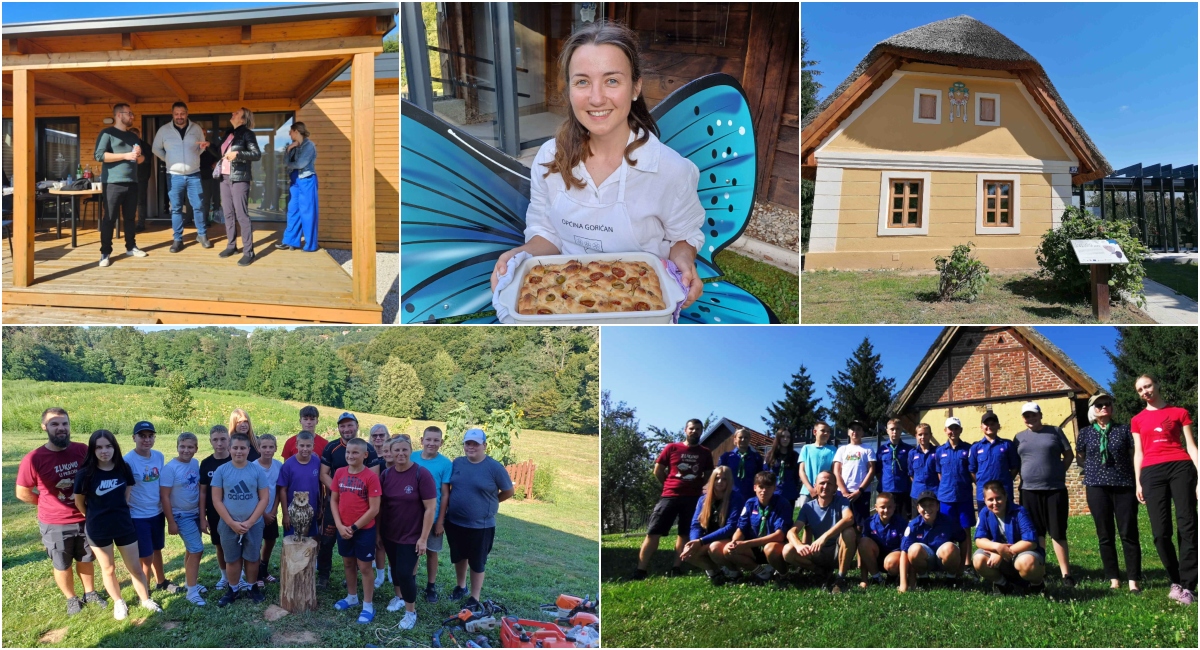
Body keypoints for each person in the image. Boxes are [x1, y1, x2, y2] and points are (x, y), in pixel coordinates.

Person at [489, 20, 706, 309]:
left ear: (635, 87)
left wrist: (684, 261)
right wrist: (520, 255)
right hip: (567, 299)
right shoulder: (549, 158)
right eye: (582, 82)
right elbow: (547, 234)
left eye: (612, 81)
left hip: (640, 305)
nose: (596, 98)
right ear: (569, 90)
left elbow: (684, 237)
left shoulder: (672, 170)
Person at [15, 407, 102, 615]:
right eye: (54, 424)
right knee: (62, 563)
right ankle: (71, 598)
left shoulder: (82, 450)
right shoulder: (34, 458)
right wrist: (47, 503)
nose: (61, 428)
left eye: (64, 423)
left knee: (86, 557)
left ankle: (90, 592)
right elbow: (22, 492)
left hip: (85, 517)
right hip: (55, 523)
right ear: (44, 427)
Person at [73, 430, 161, 620]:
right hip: (98, 528)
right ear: (93, 450)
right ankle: (118, 602)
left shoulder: (123, 468)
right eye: (99, 447)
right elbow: (79, 503)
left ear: (115, 447)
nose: (104, 451)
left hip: (123, 525)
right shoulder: (85, 474)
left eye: (108, 446)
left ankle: (145, 599)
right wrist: (93, 516)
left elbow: (126, 494)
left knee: (135, 567)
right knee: (108, 569)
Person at [1131, 374, 1198, 605]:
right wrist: (1138, 482)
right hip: (1151, 472)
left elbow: (1191, 446)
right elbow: (1138, 452)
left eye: (1148, 386)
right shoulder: (1137, 420)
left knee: (1187, 525)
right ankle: (1175, 580)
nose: (1145, 392)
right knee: (1160, 533)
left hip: (1180, 467)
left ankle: (1189, 586)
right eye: (1140, 390)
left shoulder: (1179, 412)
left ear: (1157, 385)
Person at [1076, 392, 1142, 593]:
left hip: (1123, 486)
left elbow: (1133, 455)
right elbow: (1080, 456)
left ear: (1112, 408)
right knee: (1105, 534)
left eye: (1107, 404)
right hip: (1097, 487)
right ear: (1093, 410)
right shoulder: (1085, 433)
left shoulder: (1124, 430)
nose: (1104, 407)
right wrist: (1092, 469)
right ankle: (1113, 578)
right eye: (1099, 405)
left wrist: (1137, 481)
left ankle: (1133, 580)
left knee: (1129, 533)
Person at [634, 419, 713, 579]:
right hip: (669, 496)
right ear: (685, 430)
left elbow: (707, 475)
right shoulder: (672, 448)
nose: (694, 431)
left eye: (698, 429)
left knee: (684, 534)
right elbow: (658, 470)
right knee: (653, 532)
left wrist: (695, 486)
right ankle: (641, 569)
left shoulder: (705, 452)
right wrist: (669, 484)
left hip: (693, 499)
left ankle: (676, 567)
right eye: (692, 428)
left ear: (701, 431)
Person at [444, 429, 515, 607]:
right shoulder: (458, 463)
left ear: (484, 445)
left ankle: (474, 597)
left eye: (475, 444)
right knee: (459, 556)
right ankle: (461, 587)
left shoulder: (494, 467)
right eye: (468, 443)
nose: (471, 447)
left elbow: (508, 491)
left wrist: (491, 502)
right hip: (454, 521)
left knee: (477, 561)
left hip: (481, 525)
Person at [1014, 402, 1075, 587]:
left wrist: (1059, 472)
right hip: (1028, 491)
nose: (1030, 418)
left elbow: (1069, 455)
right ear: (1023, 418)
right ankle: (1042, 570)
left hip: (1054, 490)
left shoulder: (1055, 432)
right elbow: (1016, 463)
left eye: (1033, 414)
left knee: (1057, 532)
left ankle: (1066, 574)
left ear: (1040, 415)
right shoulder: (1018, 437)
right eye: (1027, 416)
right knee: (1036, 532)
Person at [379, 436, 436, 630]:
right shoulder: (386, 475)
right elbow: (381, 506)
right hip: (390, 533)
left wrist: (423, 538)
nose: (401, 453)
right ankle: (399, 597)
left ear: (411, 450)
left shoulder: (421, 474)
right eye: (397, 450)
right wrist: (379, 534)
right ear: (390, 452)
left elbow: (430, 508)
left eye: (404, 449)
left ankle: (411, 612)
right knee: (395, 569)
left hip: (412, 535)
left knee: (405, 573)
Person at [319, 412, 380, 588]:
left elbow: (373, 476)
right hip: (335, 502)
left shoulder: (369, 449)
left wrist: (351, 492)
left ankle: (354, 576)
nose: (346, 429)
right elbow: (323, 474)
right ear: (338, 428)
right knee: (327, 540)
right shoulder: (331, 447)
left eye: (350, 425)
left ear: (357, 426)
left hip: (361, 505)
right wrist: (340, 490)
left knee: (358, 539)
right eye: (342, 426)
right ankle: (323, 575)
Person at [211, 433, 270, 606]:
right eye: (235, 448)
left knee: (252, 558)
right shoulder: (222, 471)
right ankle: (233, 589)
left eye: (242, 448)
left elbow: (264, 498)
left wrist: (250, 522)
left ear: (248, 450)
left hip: (254, 524)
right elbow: (216, 499)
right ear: (229, 449)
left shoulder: (256, 470)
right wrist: (231, 523)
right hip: (229, 524)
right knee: (232, 559)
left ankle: (252, 587)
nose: (239, 451)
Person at [331, 438, 382, 623]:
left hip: (363, 530)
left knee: (365, 567)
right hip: (343, 528)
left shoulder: (370, 477)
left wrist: (354, 527)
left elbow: (374, 509)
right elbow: (334, 500)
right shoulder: (339, 473)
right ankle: (352, 597)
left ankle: (368, 605)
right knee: (348, 563)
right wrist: (339, 525)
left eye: (355, 452)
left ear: (365, 455)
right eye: (348, 452)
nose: (350, 456)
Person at [779, 471, 856, 593]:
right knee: (787, 550)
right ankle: (819, 571)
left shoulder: (842, 501)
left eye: (829, 483)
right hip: (817, 551)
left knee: (849, 532)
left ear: (835, 487)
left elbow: (849, 518)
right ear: (815, 486)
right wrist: (798, 545)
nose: (825, 486)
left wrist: (824, 537)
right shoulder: (808, 507)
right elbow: (791, 532)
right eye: (822, 483)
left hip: (838, 550)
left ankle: (840, 578)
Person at [152, 101, 213, 251]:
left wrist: (196, 156)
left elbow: (201, 147)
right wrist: (169, 160)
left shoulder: (196, 128)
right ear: (172, 114)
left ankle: (202, 235)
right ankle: (178, 239)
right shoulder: (164, 130)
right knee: (176, 209)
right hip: (174, 176)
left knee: (198, 206)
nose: (179, 116)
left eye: (182, 113)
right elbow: (156, 148)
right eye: (176, 114)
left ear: (187, 113)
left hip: (194, 174)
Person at [711, 472, 791, 584]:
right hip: (754, 547)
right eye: (761, 487)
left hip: (775, 547)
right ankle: (761, 573)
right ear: (755, 488)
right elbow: (741, 528)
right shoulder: (750, 503)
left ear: (774, 488)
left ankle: (783, 574)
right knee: (728, 550)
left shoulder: (782, 504)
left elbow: (779, 535)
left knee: (770, 548)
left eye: (768, 487)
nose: (764, 491)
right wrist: (735, 542)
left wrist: (747, 544)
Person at [93, 103, 148, 267]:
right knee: (109, 218)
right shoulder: (107, 133)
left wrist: (138, 155)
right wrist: (125, 155)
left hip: (132, 182)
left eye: (132, 113)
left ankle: (131, 247)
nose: (132, 116)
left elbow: (141, 160)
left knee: (130, 218)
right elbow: (99, 155)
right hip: (112, 183)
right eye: (129, 113)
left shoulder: (133, 137)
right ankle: (105, 253)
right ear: (119, 115)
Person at [972, 481, 1045, 595]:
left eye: (998, 498)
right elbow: (979, 540)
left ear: (1006, 497)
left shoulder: (1020, 512)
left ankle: (1037, 585)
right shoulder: (984, 513)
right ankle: (1003, 584)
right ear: (985, 500)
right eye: (990, 499)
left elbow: (1031, 542)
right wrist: (997, 547)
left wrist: (1002, 553)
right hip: (998, 554)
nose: (995, 503)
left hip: (1022, 553)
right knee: (978, 559)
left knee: (1027, 562)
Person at [159, 432, 207, 606]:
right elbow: (164, 496)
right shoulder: (170, 468)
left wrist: (202, 515)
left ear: (196, 449)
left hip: (195, 513)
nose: (186, 450)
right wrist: (171, 521)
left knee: (191, 549)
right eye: (183, 446)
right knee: (197, 550)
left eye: (190, 447)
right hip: (181, 514)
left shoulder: (195, 463)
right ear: (177, 447)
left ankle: (189, 582)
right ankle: (191, 592)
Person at [124, 421, 172, 593]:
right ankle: (145, 589)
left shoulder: (159, 456)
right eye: (142, 436)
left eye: (150, 436)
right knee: (146, 555)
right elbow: (125, 489)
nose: (146, 440)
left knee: (157, 549)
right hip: (138, 515)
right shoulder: (127, 461)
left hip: (157, 512)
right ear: (134, 438)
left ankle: (161, 581)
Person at [211, 107, 262, 266]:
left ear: (243, 119)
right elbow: (220, 154)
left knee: (241, 215)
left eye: (237, 113)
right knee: (228, 213)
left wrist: (238, 154)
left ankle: (249, 252)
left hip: (239, 178)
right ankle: (231, 246)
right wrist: (208, 146)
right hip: (224, 178)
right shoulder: (229, 134)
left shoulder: (247, 134)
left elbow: (256, 154)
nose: (232, 114)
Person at [411, 426, 453, 603]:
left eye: (436, 440)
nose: (431, 443)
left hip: (433, 516)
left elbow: (445, 494)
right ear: (422, 440)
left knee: (431, 551)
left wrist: (440, 521)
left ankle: (431, 586)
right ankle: (411, 582)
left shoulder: (445, 464)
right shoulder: (412, 457)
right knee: (412, 550)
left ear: (441, 443)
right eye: (428, 439)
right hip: (412, 516)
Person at [680, 466, 738, 585]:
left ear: (729, 481)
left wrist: (701, 541)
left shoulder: (736, 498)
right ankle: (715, 572)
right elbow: (696, 525)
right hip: (707, 539)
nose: (720, 482)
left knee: (714, 548)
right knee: (689, 553)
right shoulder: (703, 500)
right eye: (717, 478)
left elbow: (730, 527)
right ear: (712, 480)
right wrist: (694, 541)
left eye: (724, 479)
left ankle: (735, 573)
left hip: (729, 539)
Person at [898, 491, 966, 592]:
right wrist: (903, 583)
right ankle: (924, 578)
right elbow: (904, 551)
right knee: (914, 549)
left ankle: (951, 578)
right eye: (923, 506)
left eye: (931, 505)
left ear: (938, 506)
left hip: (944, 560)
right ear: (918, 508)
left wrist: (962, 565)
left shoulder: (949, 522)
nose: (927, 509)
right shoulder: (913, 525)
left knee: (950, 548)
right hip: (926, 560)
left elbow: (963, 539)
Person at [969, 412, 1020, 534]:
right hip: (983, 495)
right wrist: (981, 484)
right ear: (981, 427)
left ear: (998, 426)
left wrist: (1006, 481)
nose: (989, 426)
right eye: (986, 424)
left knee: (1008, 524)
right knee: (986, 525)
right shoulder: (976, 447)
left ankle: (1009, 545)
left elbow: (1015, 467)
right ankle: (988, 545)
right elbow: (972, 470)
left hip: (1004, 493)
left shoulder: (1007, 445)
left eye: (992, 424)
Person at [935, 417, 975, 565]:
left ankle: (967, 563)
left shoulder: (968, 449)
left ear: (961, 430)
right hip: (946, 498)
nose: (953, 431)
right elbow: (940, 474)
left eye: (956, 428)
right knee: (947, 530)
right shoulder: (939, 451)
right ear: (945, 431)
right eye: (950, 429)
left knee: (965, 530)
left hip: (964, 496)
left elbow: (972, 471)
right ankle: (950, 562)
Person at [199, 425, 233, 591]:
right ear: (210, 441)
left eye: (223, 439)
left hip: (235, 510)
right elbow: (203, 492)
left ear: (229, 440)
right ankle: (225, 576)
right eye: (215, 440)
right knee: (219, 545)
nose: (219, 443)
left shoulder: (235, 460)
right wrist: (202, 517)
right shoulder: (206, 463)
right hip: (214, 512)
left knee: (237, 543)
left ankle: (238, 574)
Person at [277, 122, 319, 251]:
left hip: (307, 180)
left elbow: (301, 164)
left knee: (307, 212)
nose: (289, 134)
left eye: (290, 131)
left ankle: (310, 245)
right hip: (294, 181)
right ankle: (290, 241)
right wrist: (288, 149)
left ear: (296, 131)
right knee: (292, 210)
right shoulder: (293, 146)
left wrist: (289, 164)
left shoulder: (309, 145)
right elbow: (285, 162)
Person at [279, 432, 323, 539]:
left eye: (308, 446)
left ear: (313, 446)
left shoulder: (317, 462)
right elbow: (282, 490)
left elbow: (320, 485)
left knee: (309, 543)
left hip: (311, 511)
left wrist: (320, 507)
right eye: (302, 445)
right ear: (296, 445)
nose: (305, 449)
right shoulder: (288, 465)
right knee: (293, 543)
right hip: (293, 513)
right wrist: (285, 514)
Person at [832, 420, 876, 528]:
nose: (855, 432)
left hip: (862, 493)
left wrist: (860, 491)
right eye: (852, 429)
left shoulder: (868, 449)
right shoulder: (842, 449)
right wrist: (844, 491)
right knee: (842, 524)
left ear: (862, 432)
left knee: (861, 526)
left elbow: (871, 471)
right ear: (848, 432)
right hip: (843, 493)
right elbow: (836, 471)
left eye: (858, 429)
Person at [254, 434, 284, 588]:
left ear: (275, 448)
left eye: (271, 447)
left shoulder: (279, 466)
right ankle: (256, 574)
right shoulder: (253, 467)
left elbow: (278, 490)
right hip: (256, 514)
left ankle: (264, 569)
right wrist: (263, 514)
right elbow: (252, 494)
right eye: (264, 447)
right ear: (258, 448)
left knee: (270, 540)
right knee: (256, 543)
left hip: (271, 513)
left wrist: (273, 511)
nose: (267, 450)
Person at [858, 492, 905, 588]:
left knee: (891, 562)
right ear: (876, 507)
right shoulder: (869, 522)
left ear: (894, 507)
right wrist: (864, 579)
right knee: (863, 542)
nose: (886, 510)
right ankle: (877, 577)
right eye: (882, 507)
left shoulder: (901, 522)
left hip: (894, 559)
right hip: (875, 558)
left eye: (889, 507)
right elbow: (863, 551)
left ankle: (892, 577)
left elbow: (905, 549)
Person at [718, 427, 763, 515]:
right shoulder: (726, 457)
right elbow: (719, 476)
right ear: (735, 439)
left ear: (749, 439)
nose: (743, 440)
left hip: (750, 496)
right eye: (740, 437)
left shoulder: (756, 457)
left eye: (746, 437)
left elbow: (760, 478)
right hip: (730, 495)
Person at [879, 419, 915, 522]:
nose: (895, 432)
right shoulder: (882, 449)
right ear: (887, 431)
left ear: (901, 430)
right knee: (887, 518)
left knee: (903, 519)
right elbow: (878, 469)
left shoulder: (909, 449)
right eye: (892, 429)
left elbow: (911, 470)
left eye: (897, 429)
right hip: (887, 489)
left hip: (903, 489)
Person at [370, 424, 392, 590]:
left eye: (381, 435)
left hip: (392, 504)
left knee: (391, 540)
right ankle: (379, 574)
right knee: (378, 541)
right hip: (374, 504)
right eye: (375, 435)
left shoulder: (392, 456)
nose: (378, 438)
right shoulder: (369, 454)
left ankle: (392, 572)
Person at [798, 421, 836, 509]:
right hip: (807, 491)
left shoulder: (833, 450)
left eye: (828, 431)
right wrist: (810, 489)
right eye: (823, 431)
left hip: (825, 492)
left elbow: (834, 472)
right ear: (815, 432)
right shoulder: (806, 448)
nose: (826, 433)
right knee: (804, 516)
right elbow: (801, 471)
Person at [764, 427, 800, 513]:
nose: (785, 439)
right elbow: (765, 474)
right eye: (783, 436)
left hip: (789, 493)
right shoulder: (770, 455)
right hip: (773, 493)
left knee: (787, 518)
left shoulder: (795, 456)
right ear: (778, 438)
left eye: (788, 437)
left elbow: (796, 476)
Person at [908, 423, 940, 517]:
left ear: (930, 435)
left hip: (934, 493)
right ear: (916, 436)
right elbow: (911, 474)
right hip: (917, 493)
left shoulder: (937, 451)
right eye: (920, 434)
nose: (923, 437)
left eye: (926, 434)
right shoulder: (912, 453)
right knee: (917, 521)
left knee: (935, 520)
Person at [128, 127, 152, 232]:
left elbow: (147, 160)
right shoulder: (125, 145)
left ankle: (141, 223)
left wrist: (139, 155)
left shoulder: (145, 146)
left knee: (141, 201)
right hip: (128, 177)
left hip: (141, 177)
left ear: (139, 135)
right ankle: (129, 223)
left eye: (135, 135)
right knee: (129, 201)